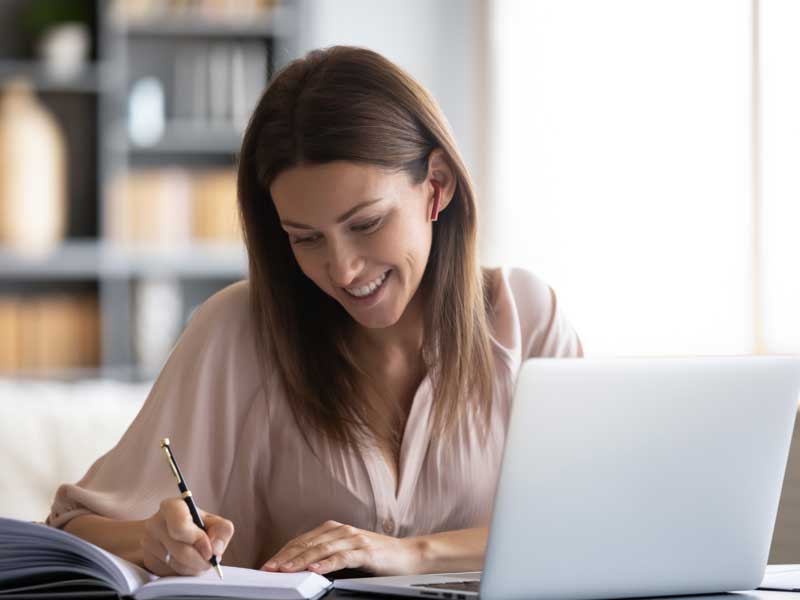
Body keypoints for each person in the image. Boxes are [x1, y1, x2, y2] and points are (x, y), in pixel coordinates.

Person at [46, 45, 583, 578]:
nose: (343, 270)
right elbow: (69, 528)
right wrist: (150, 538)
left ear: (436, 186)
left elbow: (585, 526)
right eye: (306, 240)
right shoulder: (238, 331)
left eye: (366, 223)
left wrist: (408, 552)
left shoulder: (527, 320)